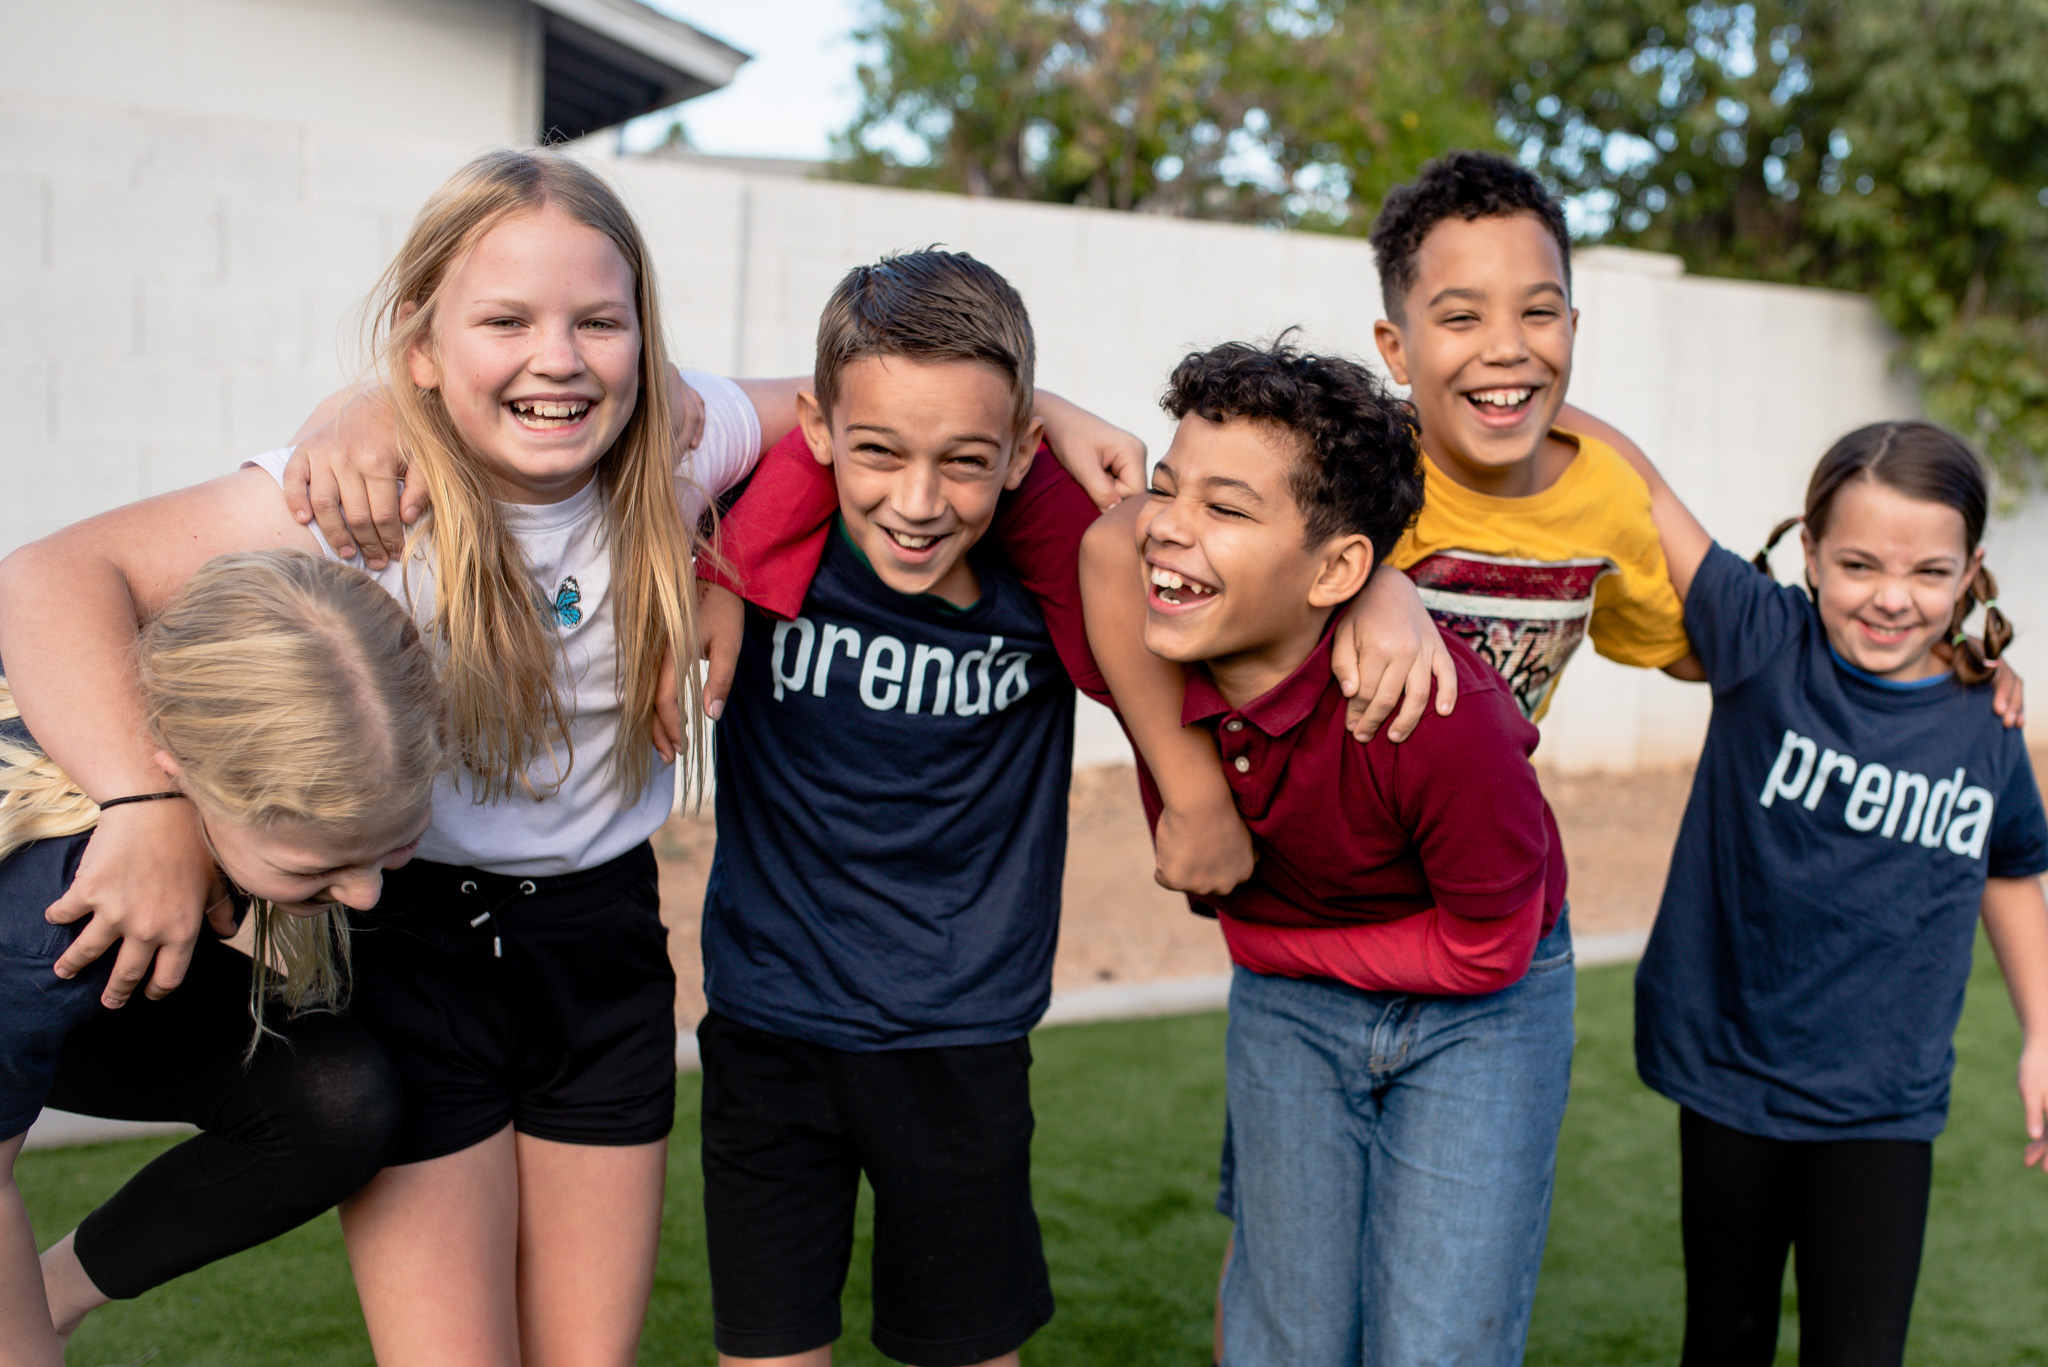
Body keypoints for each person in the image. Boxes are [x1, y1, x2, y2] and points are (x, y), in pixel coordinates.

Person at [0, 148, 807, 1367]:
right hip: (409, 942)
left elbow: (862, 407)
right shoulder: (358, 491)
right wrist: (145, 798)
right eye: (505, 320)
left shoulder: (682, 447)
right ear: (421, 346)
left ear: (646, 340)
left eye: (600, 320)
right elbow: (49, 577)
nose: (559, 355)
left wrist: (724, 557)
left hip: (600, 949)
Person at [1076, 340, 1573, 1366]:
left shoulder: (1434, 717)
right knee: (1284, 1334)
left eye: (1225, 507)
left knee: (1434, 1343)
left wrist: (1273, 950)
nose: (1167, 524)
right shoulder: (1155, 619)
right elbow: (1094, 531)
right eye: (1169, 487)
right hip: (1296, 1003)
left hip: (1479, 1007)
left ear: (1339, 568)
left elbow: (1488, 950)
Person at [1632, 420, 2048, 1366]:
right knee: (1725, 1339)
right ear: (1811, 554)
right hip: (1734, 1078)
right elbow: (1641, 486)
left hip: (1883, 1107)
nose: (1893, 599)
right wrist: (1514, 385)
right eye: (1859, 563)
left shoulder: (1988, 718)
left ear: (1972, 570)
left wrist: (2044, 1032)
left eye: (1929, 573)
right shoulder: (1760, 635)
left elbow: (2012, 862)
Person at [0, 548, 444, 1367]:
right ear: (186, 781)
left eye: (394, 846)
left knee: (331, 1096)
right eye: (315, 868)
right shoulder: (47, 923)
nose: (366, 895)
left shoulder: (223, 695)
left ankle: (51, 1293)